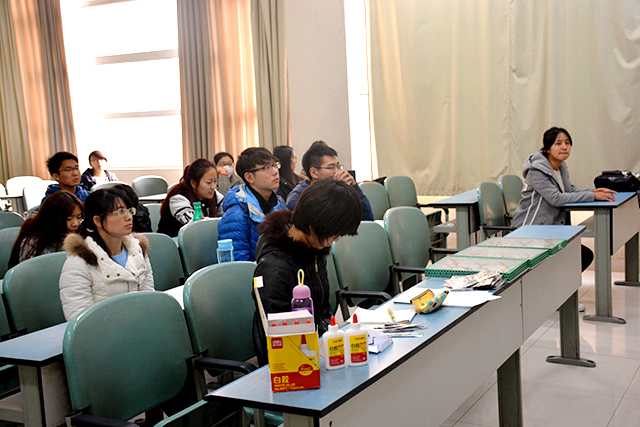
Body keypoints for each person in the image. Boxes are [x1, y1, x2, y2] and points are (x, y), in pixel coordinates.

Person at [252, 179, 362, 366]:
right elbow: (282, 337)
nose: (336, 240)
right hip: (290, 363)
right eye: (334, 234)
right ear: (313, 226)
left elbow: (322, 313)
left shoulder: (313, 249)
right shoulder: (274, 267)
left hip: (317, 347)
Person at [511, 127, 616, 304]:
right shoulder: (536, 170)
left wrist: (594, 191)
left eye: (567, 143)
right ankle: (554, 297)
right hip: (531, 229)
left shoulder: (560, 166)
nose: (564, 147)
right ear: (547, 148)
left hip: (551, 229)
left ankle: (556, 296)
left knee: (581, 255)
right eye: (558, 143)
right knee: (579, 256)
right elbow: (556, 198)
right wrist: (592, 196)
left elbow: (569, 190)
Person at [59, 187, 154, 320]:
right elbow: (80, 320)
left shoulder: (137, 250)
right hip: (104, 330)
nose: (129, 217)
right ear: (97, 220)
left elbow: (149, 299)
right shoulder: (78, 263)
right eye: (121, 212)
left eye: (129, 210)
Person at [218, 147, 287, 261]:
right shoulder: (236, 214)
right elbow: (238, 265)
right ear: (249, 177)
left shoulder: (280, 203)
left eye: (274, 165)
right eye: (266, 168)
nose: (275, 171)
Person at [285, 141, 374, 221]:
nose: (338, 172)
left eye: (338, 167)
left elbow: (367, 219)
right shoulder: (298, 197)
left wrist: (354, 187)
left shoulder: (339, 191)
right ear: (314, 172)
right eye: (331, 168)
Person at [8, 191, 83, 269]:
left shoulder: (80, 237)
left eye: (79, 218)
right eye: (69, 219)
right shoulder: (33, 243)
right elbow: (28, 273)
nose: (75, 224)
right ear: (52, 218)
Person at [157, 159, 223, 237]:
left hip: (202, 239)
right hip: (175, 241)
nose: (213, 186)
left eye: (215, 181)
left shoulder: (213, 194)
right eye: (209, 182)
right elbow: (195, 226)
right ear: (193, 183)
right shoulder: (178, 198)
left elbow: (228, 213)